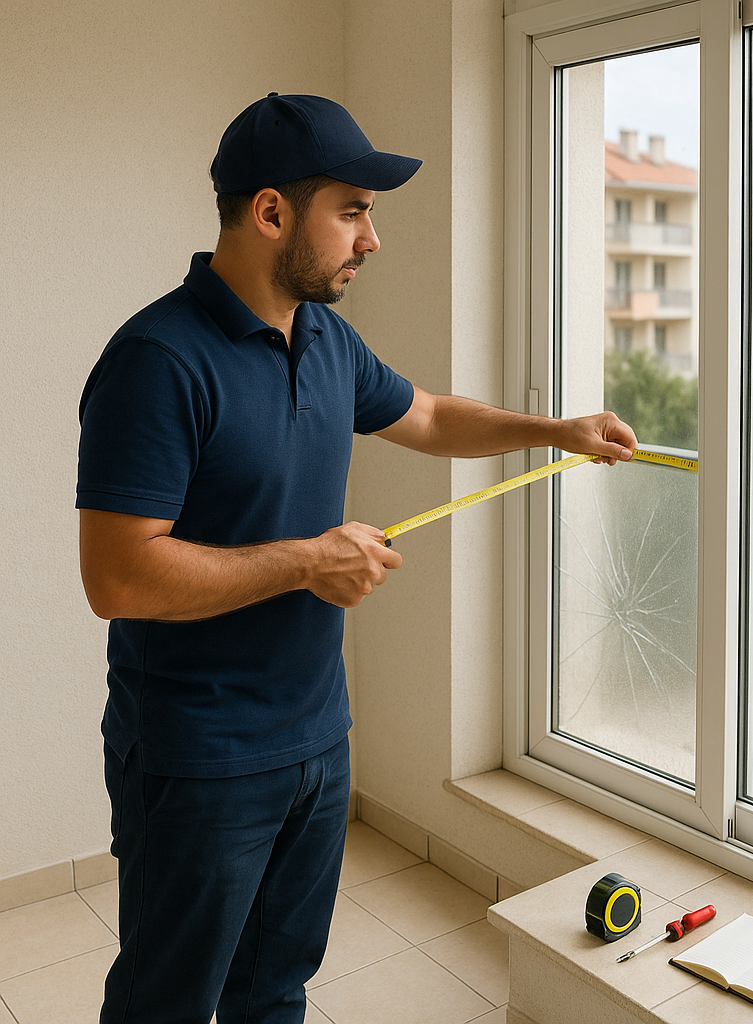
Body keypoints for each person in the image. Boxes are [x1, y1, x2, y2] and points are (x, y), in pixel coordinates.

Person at [77, 92, 636, 1024]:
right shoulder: (156, 362)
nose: (371, 239)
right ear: (270, 213)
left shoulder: (327, 339)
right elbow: (118, 577)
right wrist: (303, 563)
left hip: (316, 741)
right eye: (353, 210)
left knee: (276, 992)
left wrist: (557, 431)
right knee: (165, 1005)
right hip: (198, 757)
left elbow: (425, 414)